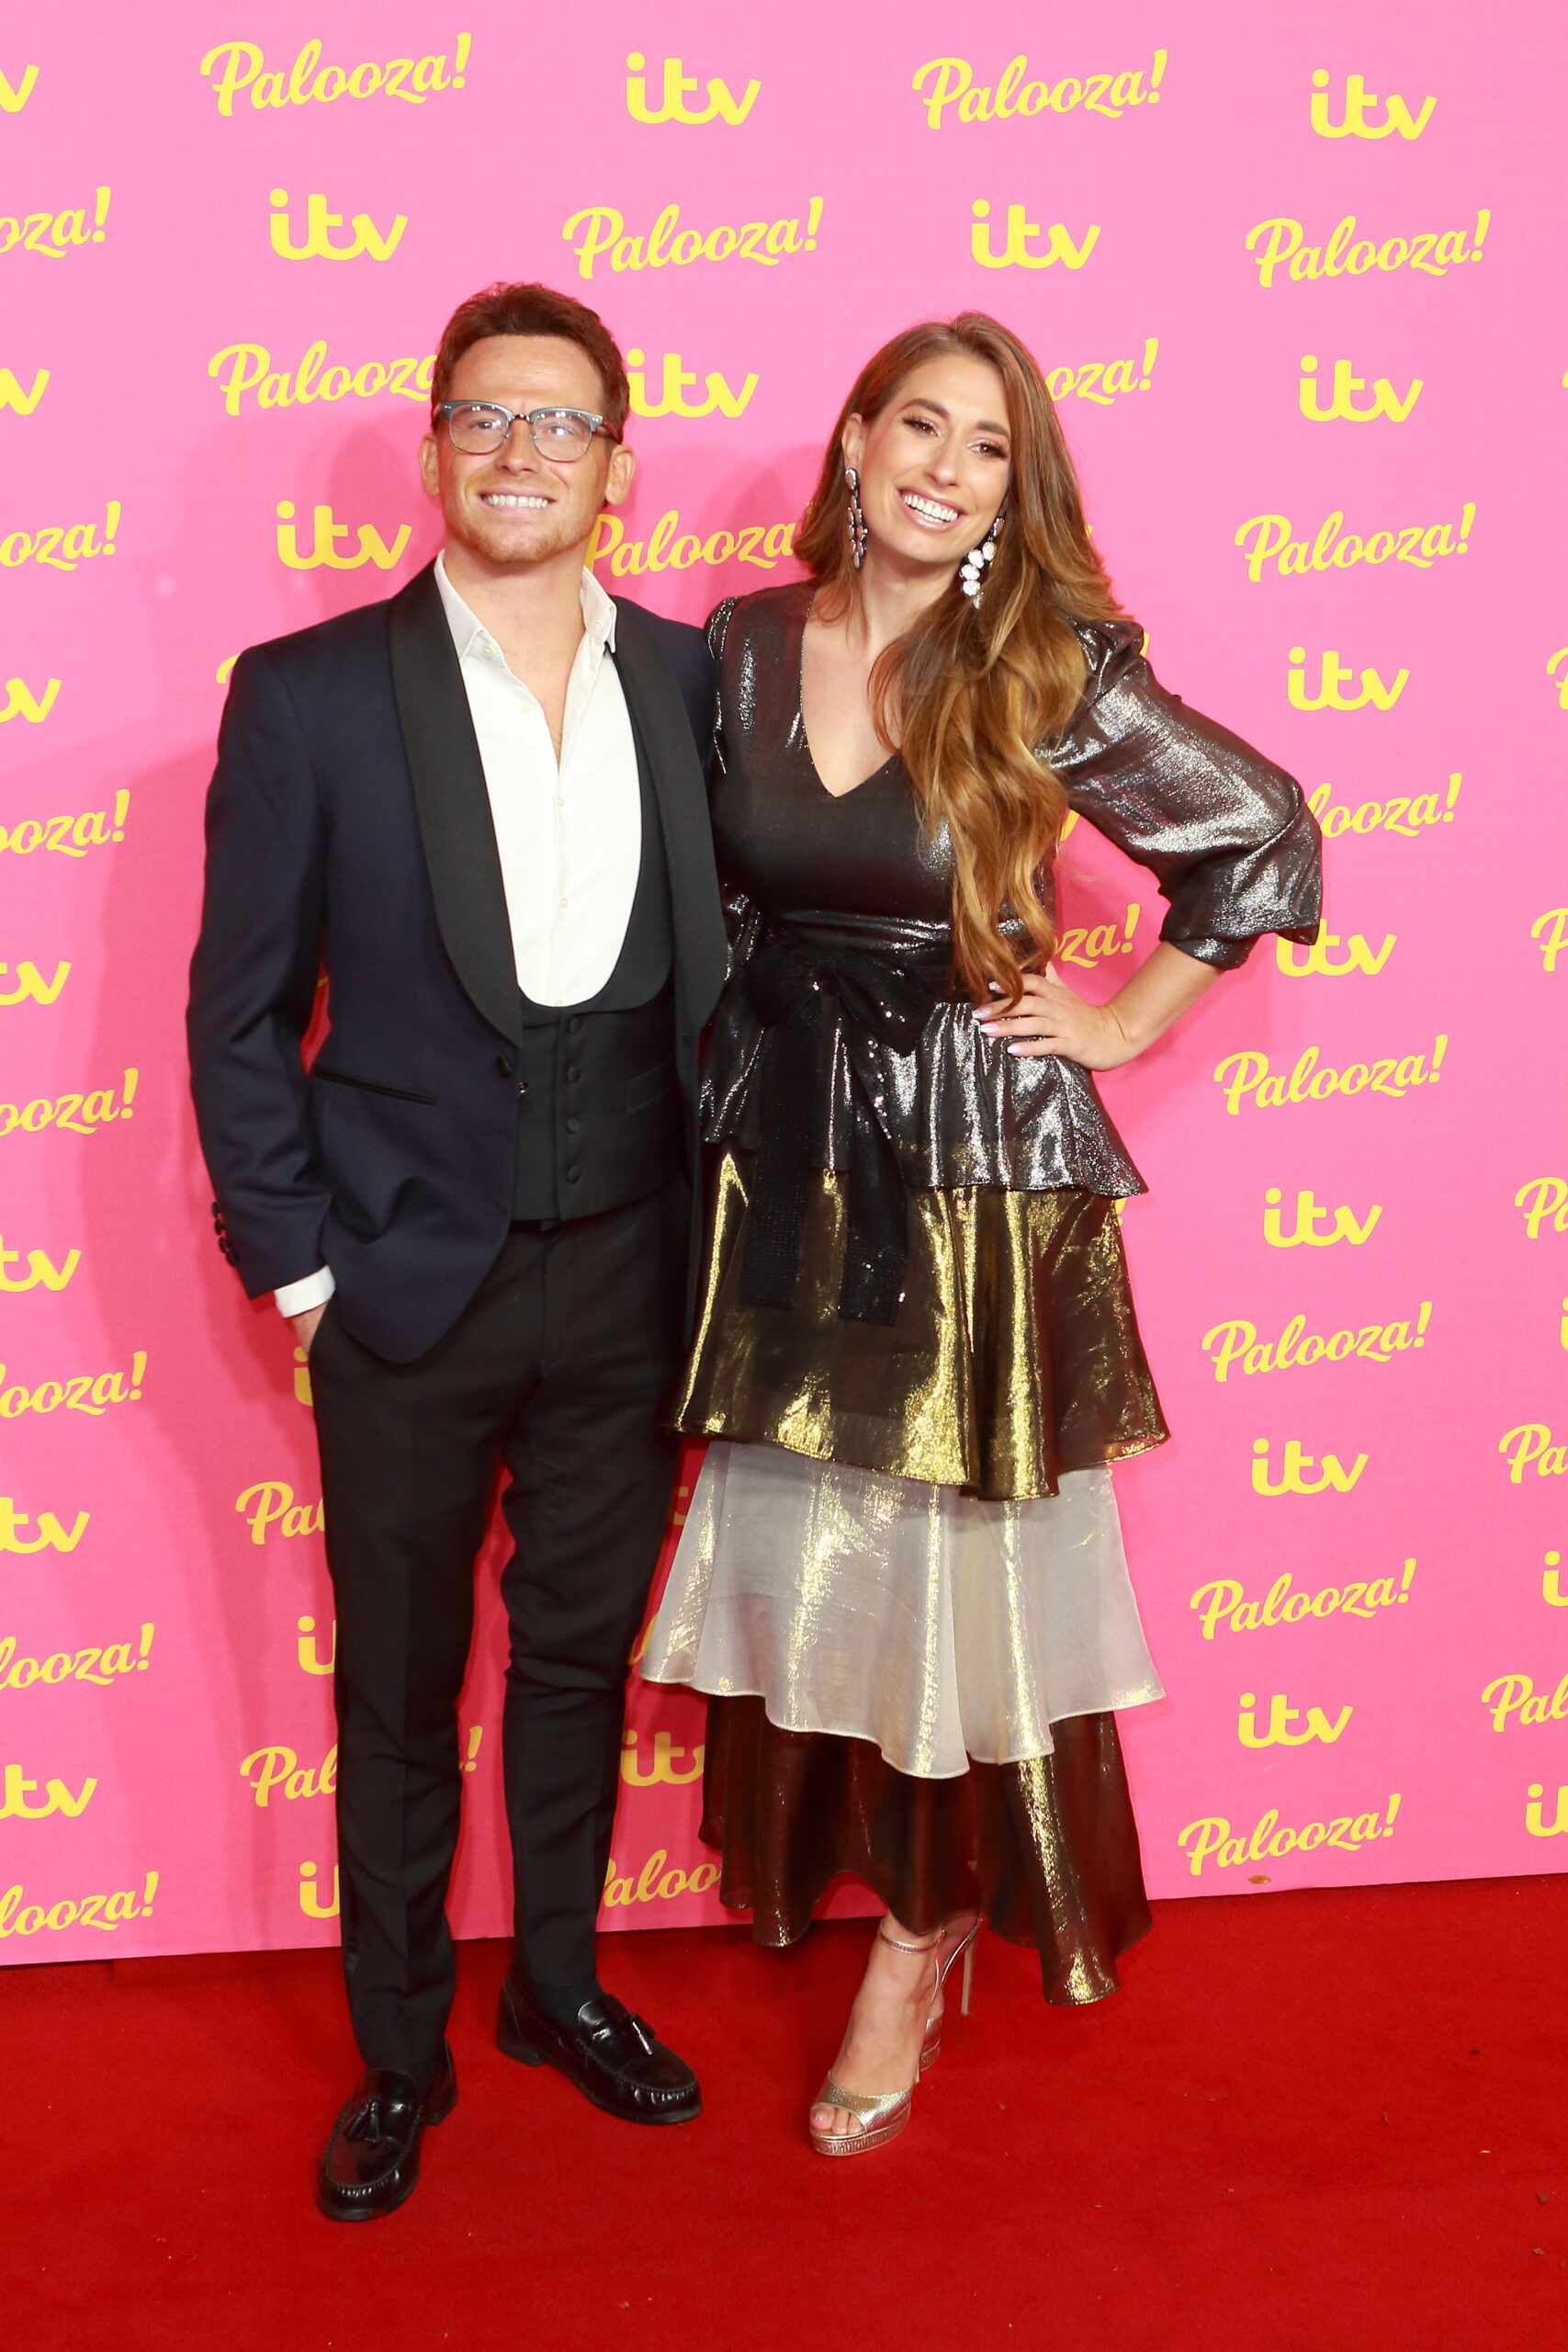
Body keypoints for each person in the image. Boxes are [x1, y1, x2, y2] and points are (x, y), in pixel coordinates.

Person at [641, 312, 1323, 2155]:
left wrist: (1113, 1020)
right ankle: (853, 1878)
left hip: (961, 1161)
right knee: (815, 1553)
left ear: (1017, 490)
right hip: (790, 1148)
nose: (943, 466)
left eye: (988, 447)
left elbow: (1254, 831)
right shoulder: (739, 651)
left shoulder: (1033, 662)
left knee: (950, 1569)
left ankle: (917, 1943)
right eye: (916, 425)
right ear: (851, 440)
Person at [187, 281, 728, 2220]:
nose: (518, 450)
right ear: (435, 448)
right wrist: (305, 1267)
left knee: (577, 1665)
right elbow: (239, 1012)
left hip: (634, 1273)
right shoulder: (310, 693)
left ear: (616, 465)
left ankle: (560, 1988)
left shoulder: (691, 682)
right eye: (483, 416)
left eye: (558, 422)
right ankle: (401, 2050)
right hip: (403, 1290)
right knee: (399, 1691)